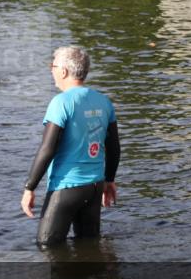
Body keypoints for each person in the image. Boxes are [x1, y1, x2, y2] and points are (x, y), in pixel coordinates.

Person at [21, 46, 120, 247]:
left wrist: (29, 187)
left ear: (64, 71)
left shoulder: (61, 103)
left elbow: (47, 148)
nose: (51, 71)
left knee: (47, 247)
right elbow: (114, 146)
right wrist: (109, 180)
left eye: (53, 66)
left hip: (66, 187)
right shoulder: (103, 101)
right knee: (89, 247)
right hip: (94, 186)